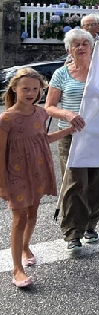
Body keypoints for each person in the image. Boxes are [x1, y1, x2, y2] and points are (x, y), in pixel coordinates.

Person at [0, 68, 75, 287]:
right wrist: (2, 184)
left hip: (38, 170)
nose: (31, 93)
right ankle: (17, 269)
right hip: (15, 174)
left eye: (35, 89)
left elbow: (42, 139)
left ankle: (25, 247)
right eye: (25, 88)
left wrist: (69, 130)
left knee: (32, 212)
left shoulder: (41, 113)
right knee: (19, 217)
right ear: (14, 89)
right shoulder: (6, 119)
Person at [45, 29, 99, 252]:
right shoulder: (61, 74)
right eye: (75, 44)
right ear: (69, 49)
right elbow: (49, 107)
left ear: (92, 47)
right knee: (74, 183)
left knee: (97, 182)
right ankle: (73, 231)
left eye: (84, 43)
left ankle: (91, 224)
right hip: (70, 135)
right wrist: (67, 114)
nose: (80, 47)